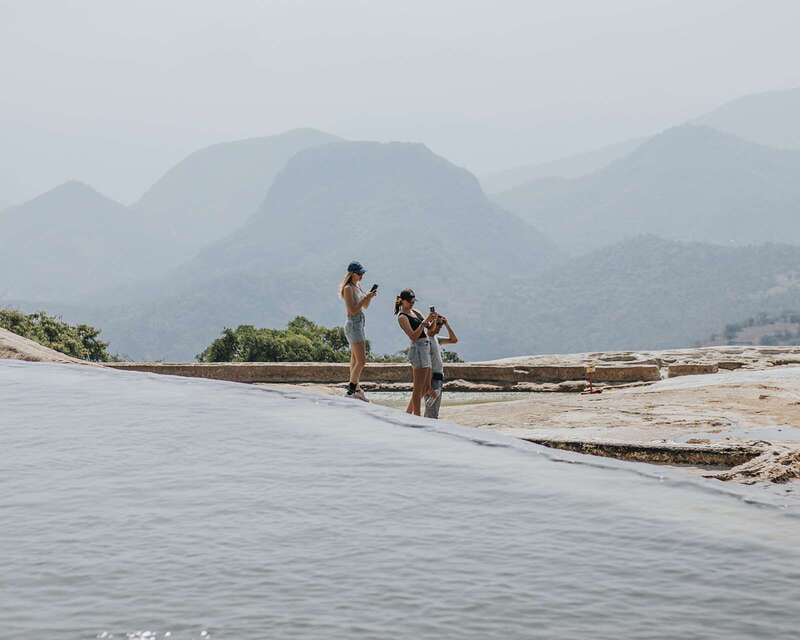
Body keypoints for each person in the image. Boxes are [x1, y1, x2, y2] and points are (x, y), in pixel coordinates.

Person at [340, 261, 377, 401]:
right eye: (359, 273)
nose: (362, 276)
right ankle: (351, 390)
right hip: (354, 324)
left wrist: (369, 297)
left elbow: (364, 306)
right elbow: (353, 309)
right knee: (361, 361)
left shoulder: (357, 286)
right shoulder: (348, 288)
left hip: (359, 324)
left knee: (355, 361)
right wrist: (365, 298)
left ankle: (356, 388)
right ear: (352, 274)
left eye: (362, 273)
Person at [395, 289, 436, 415]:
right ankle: (416, 416)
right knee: (418, 388)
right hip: (417, 348)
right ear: (402, 301)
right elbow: (413, 336)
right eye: (410, 301)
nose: (412, 303)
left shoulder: (416, 312)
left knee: (425, 387)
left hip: (425, 347)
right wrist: (424, 323)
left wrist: (433, 320)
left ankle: (408, 413)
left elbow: (430, 330)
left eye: (414, 301)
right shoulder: (402, 317)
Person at [424, 313, 458, 419]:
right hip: (431, 377)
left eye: (440, 325)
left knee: (434, 410)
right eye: (437, 324)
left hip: (439, 377)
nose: (439, 327)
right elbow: (426, 363)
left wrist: (446, 324)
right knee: (431, 411)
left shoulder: (436, 338)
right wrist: (428, 386)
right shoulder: (427, 339)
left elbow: (454, 340)